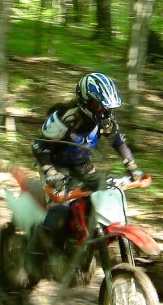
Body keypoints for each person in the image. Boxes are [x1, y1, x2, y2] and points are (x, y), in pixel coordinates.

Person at [30, 73, 143, 244]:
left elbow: (118, 142)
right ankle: (39, 250)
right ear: (85, 101)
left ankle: (83, 246)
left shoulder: (105, 121)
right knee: (59, 212)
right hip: (55, 166)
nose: (103, 112)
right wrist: (52, 173)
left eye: (106, 108)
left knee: (103, 198)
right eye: (99, 106)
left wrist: (132, 166)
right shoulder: (66, 118)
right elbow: (39, 147)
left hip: (82, 165)